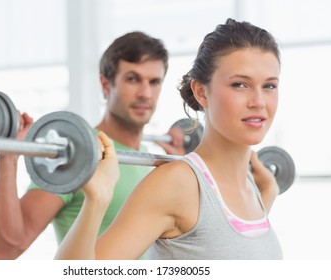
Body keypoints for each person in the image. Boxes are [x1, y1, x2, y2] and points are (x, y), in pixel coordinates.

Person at [55, 18, 283, 260]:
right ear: (201, 92)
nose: (258, 102)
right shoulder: (177, 183)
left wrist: (268, 192)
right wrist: (97, 199)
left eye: (269, 86)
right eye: (240, 84)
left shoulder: (253, 188)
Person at [0, 31, 184, 259]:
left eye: (154, 82)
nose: (145, 93)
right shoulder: (78, 151)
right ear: (105, 84)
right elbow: (7, 247)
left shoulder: (150, 160)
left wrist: (183, 167)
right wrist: (9, 156)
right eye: (132, 79)